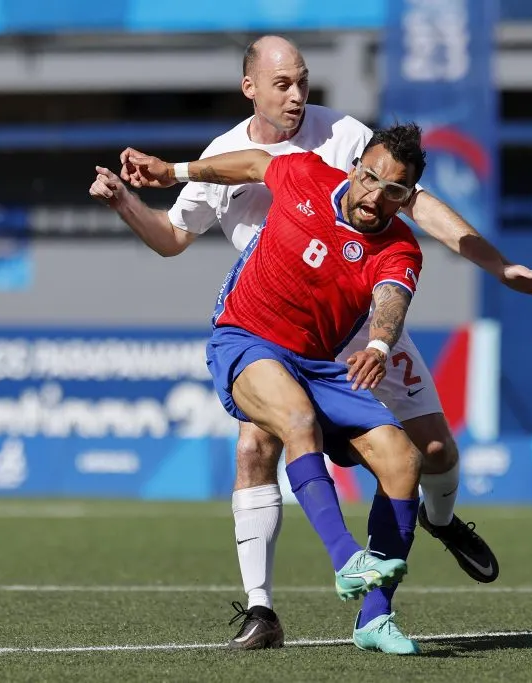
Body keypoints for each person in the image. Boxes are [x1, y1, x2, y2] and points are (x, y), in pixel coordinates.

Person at [88, 34, 532, 651]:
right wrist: (132, 198)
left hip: (359, 327)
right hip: (269, 326)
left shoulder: (343, 138)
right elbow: (173, 237)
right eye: (282, 84)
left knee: (432, 451)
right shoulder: (229, 154)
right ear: (249, 87)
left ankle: (436, 524)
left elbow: (414, 205)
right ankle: (264, 609)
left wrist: (497, 267)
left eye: (303, 82)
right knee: (263, 440)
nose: (297, 95)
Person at [122, 123, 432, 655]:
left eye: (394, 191)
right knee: (294, 420)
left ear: (406, 199)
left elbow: (391, 303)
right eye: (370, 177)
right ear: (355, 167)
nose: (375, 195)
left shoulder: (400, 247)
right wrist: (171, 172)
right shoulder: (306, 174)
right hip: (244, 338)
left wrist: (379, 346)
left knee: (404, 461)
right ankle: (344, 559)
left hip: (317, 363)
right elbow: (250, 164)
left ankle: (374, 618)